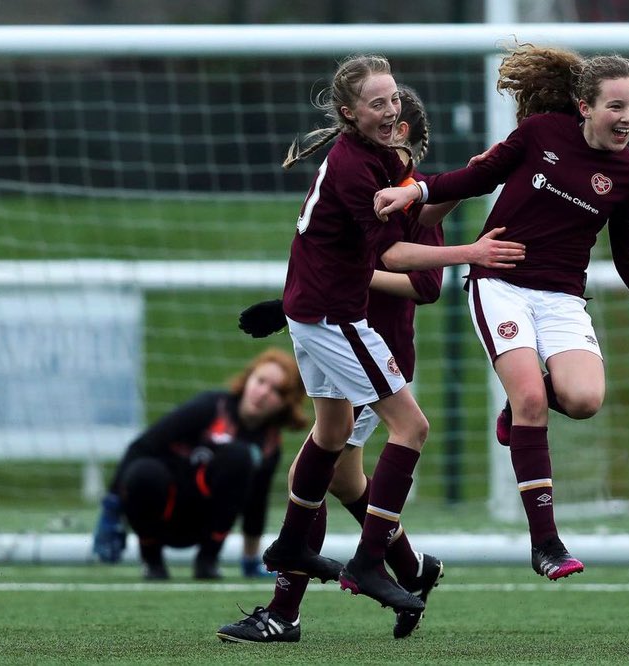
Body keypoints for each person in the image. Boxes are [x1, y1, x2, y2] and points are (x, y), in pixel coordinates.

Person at [374, 44, 629, 581]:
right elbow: (478, 176)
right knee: (533, 398)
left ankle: (515, 420)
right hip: (501, 284)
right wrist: (416, 193)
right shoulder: (542, 133)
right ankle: (546, 544)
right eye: (616, 107)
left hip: (563, 297)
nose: (628, 118)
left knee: (585, 400)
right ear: (585, 107)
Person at [216, 83, 524, 642]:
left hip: (370, 340)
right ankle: (405, 568)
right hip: (340, 330)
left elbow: (424, 282)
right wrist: (294, 302)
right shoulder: (375, 179)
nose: (389, 123)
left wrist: (465, 210)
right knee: (336, 469)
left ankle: (296, 606)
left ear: (404, 134)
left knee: (331, 467)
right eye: (378, 109)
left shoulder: (403, 192)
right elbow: (345, 250)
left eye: (395, 115)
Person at [91, 347, 308, 580]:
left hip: (203, 525)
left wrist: (251, 560)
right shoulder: (210, 406)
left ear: (288, 403)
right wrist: (111, 509)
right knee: (144, 472)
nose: (263, 392)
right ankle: (152, 562)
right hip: (163, 511)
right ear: (247, 379)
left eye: (276, 390)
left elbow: (256, 505)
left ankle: (207, 561)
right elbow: (142, 447)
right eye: (260, 380)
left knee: (239, 456)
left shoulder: (269, 446)